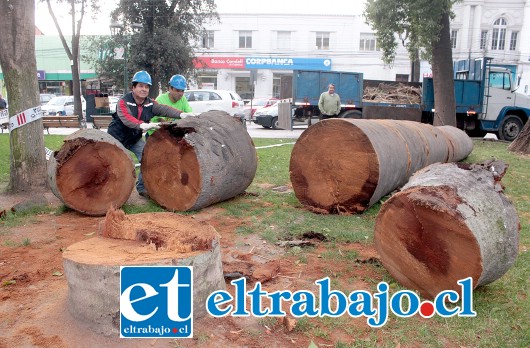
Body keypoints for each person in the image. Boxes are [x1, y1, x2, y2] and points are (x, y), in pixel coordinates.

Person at [107, 70, 194, 198]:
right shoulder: (124, 101)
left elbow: (165, 109)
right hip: (117, 137)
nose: (144, 89)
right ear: (133, 87)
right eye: (141, 86)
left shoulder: (150, 103)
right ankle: (111, 190)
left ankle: (142, 188)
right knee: (114, 163)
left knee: (147, 157)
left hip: (134, 138)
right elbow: (126, 118)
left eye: (147, 86)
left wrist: (181, 114)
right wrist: (141, 125)